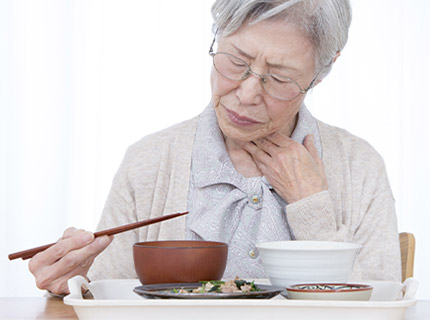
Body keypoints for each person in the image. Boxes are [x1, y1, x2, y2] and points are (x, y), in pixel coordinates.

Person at [29, 0, 401, 295]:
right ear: (217, 37)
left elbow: (383, 305)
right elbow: (107, 295)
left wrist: (311, 208)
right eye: (235, 62)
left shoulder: (359, 166)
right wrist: (73, 285)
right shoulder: (150, 161)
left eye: (281, 78)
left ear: (321, 73)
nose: (247, 93)